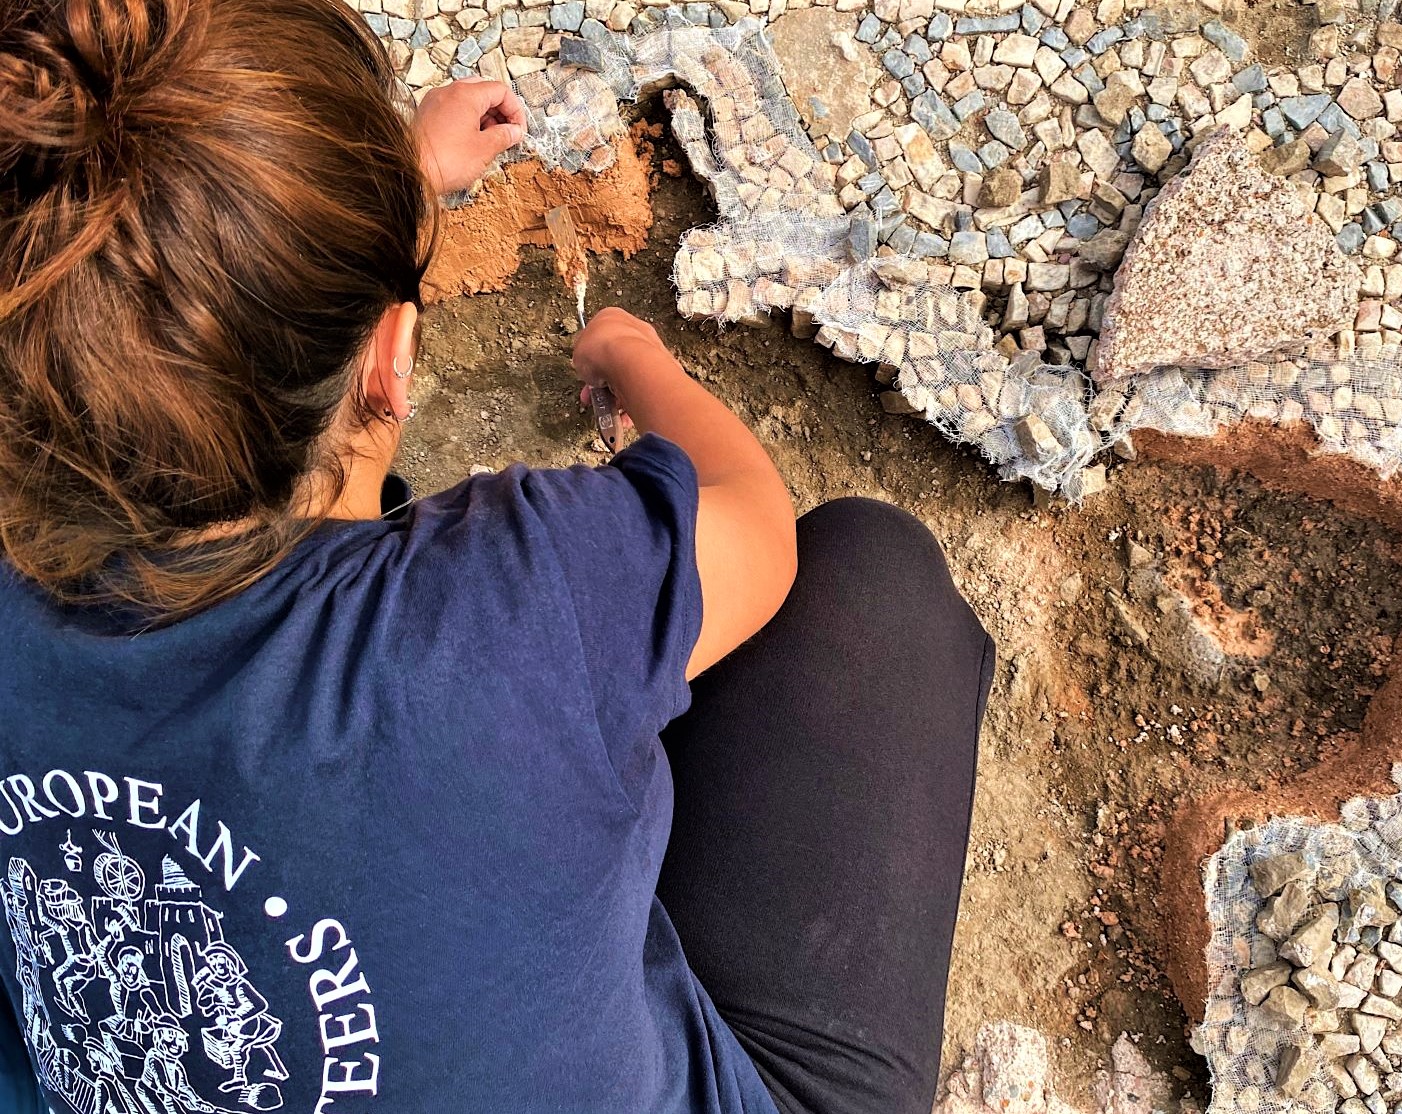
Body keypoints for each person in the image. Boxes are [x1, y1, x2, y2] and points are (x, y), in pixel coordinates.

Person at [0, 0, 994, 1112]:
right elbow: (750, 519)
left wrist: (384, 195)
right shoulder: (505, 608)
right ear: (391, 364)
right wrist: (636, 355)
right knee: (874, 580)